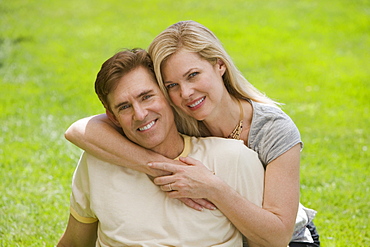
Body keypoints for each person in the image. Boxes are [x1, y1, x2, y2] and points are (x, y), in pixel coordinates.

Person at [65, 21, 319, 246]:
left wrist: (212, 187)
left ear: (220, 65)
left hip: (284, 237)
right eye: (172, 85)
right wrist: (161, 168)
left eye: (193, 75)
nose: (186, 93)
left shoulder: (272, 129)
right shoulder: (175, 114)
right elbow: (79, 131)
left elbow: (278, 236)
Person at [58, 49, 265, 246]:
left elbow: (267, 241)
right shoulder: (98, 162)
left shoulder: (234, 158)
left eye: (146, 96)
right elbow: (74, 243)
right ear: (112, 117)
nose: (140, 114)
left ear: (168, 95)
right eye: (124, 107)